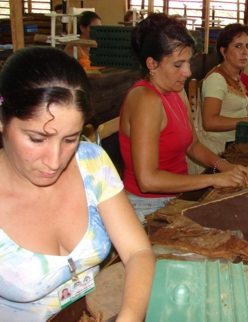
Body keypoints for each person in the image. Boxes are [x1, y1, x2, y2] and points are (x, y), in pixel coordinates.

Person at [0, 46, 155, 321]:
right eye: (37, 139)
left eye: (70, 138)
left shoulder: (90, 161)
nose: (55, 160)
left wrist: (128, 317)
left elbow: (137, 251)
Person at [119, 13, 248, 221]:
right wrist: (212, 179)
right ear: (152, 64)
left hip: (176, 197)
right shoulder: (146, 100)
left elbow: (192, 144)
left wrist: (224, 166)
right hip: (146, 206)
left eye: (189, 62)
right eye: (178, 65)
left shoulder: (175, 90)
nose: (187, 72)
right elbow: (148, 180)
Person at [201, 23, 248, 146]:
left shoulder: (235, 76)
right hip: (220, 146)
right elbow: (209, 122)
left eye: (247, 46)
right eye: (238, 46)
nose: (245, 51)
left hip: (236, 140)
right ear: (223, 51)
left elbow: (230, 111)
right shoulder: (216, 79)